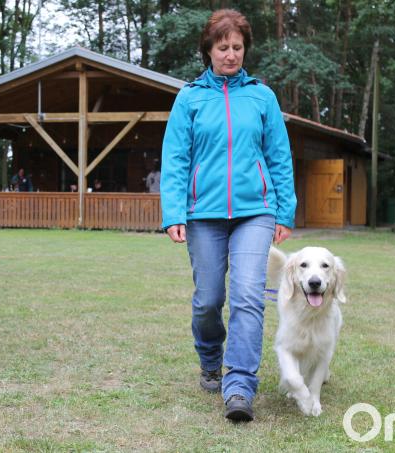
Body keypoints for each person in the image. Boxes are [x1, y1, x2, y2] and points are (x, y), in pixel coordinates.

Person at [160, 9, 296, 422]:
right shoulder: (190, 98)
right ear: (209, 50)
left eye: (237, 47)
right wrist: (173, 212)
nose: (231, 55)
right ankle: (209, 359)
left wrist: (284, 211)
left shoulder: (262, 97)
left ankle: (239, 386)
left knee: (248, 297)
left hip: (256, 212)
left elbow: (279, 157)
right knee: (208, 301)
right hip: (203, 214)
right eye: (223, 48)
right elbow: (176, 159)